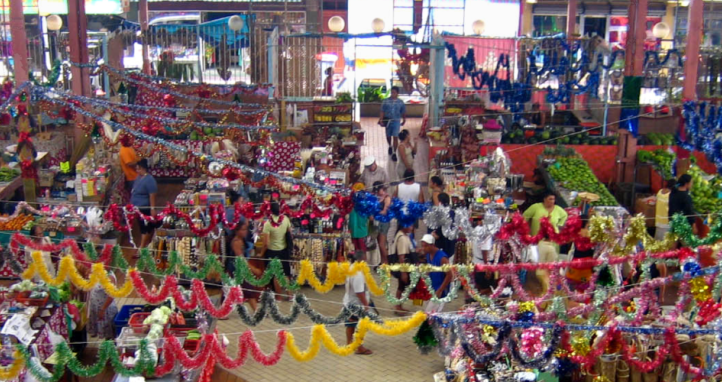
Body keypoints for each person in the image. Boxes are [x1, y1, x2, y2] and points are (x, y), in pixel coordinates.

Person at [522, 191, 567, 294]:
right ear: (544, 199)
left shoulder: (559, 210)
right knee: (536, 262)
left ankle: (546, 287)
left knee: (550, 263)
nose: (552, 201)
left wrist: (560, 226)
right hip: (537, 241)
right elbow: (524, 217)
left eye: (554, 199)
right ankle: (536, 285)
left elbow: (565, 216)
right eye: (550, 199)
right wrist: (526, 231)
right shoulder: (536, 207)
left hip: (553, 242)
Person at [228, 217, 261, 311]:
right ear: (237, 230)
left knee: (242, 290)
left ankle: (256, 310)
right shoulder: (236, 242)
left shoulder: (242, 240)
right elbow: (241, 259)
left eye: (246, 229)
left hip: (240, 269)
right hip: (236, 269)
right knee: (246, 289)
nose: (245, 231)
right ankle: (257, 311)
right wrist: (254, 269)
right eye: (243, 229)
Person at [261, 202, 292, 300]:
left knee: (275, 275)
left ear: (270, 211)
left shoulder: (267, 224)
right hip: (283, 251)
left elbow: (266, 243)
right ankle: (290, 295)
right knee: (285, 274)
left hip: (272, 252)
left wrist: (261, 253)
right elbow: (289, 234)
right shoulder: (286, 219)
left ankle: (278, 297)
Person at [343, 250, 373, 355]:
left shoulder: (352, 268)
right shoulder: (358, 273)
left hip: (349, 301)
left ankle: (349, 344)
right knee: (361, 325)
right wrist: (366, 304)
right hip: (356, 303)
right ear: (362, 260)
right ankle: (359, 347)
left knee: (350, 324)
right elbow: (359, 291)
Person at [389, 224, 417, 316]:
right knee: (401, 286)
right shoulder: (402, 238)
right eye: (410, 226)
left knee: (401, 286)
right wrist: (403, 272)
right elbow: (402, 257)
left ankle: (399, 305)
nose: (411, 227)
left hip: (406, 266)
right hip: (403, 267)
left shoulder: (405, 235)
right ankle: (397, 306)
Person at [420, 234, 452, 313]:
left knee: (430, 314)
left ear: (432, 245)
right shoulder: (428, 255)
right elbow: (430, 270)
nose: (424, 248)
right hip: (431, 289)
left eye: (426, 246)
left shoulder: (442, 258)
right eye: (423, 246)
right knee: (427, 312)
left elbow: (450, 275)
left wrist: (440, 290)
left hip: (439, 290)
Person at [130, 159, 158, 249]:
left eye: (139, 169)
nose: (137, 171)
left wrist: (152, 208)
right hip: (137, 207)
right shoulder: (138, 178)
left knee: (145, 228)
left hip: (144, 207)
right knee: (143, 226)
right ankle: (147, 244)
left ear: (143, 168)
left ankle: (141, 247)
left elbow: (152, 195)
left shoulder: (150, 180)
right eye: (137, 169)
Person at [85, 264, 118, 339]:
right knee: (101, 333)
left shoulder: (110, 277)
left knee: (109, 335)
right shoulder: (97, 272)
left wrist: (103, 309)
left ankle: (110, 348)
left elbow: (111, 296)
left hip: (106, 309)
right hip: (95, 306)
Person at [565, 215, 594, 293]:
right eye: (588, 226)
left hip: (585, 265)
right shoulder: (580, 234)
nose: (589, 229)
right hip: (580, 265)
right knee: (577, 289)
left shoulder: (579, 234)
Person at [379, 86, 406, 162]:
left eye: (394, 92)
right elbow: (382, 111)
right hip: (388, 121)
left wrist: (404, 119)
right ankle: (390, 146)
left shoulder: (400, 102)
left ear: (397, 93)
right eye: (392, 92)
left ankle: (394, 153)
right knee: (388, 136)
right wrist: (381, 119)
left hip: (396, 121)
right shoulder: (386, 101)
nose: (392, 94)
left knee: (395, 136)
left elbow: (403, 111)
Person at [431, 193, 455, 259]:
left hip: (443, 243)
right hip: (451, 243)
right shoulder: (452, 212)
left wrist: (434, 234)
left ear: (440, 202)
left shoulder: (442, 213)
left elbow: (439, 232)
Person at [373, 181, 391, 265]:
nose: (376, 193)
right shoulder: (377, 197)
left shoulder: (387, 198)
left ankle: (387, 262)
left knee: (381, 244)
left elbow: (385, 211)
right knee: (378, 243)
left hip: (384, 223)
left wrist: (375, 212)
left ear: (382, 189)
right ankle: (382, 261)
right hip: (377, 223)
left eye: (378, 190)